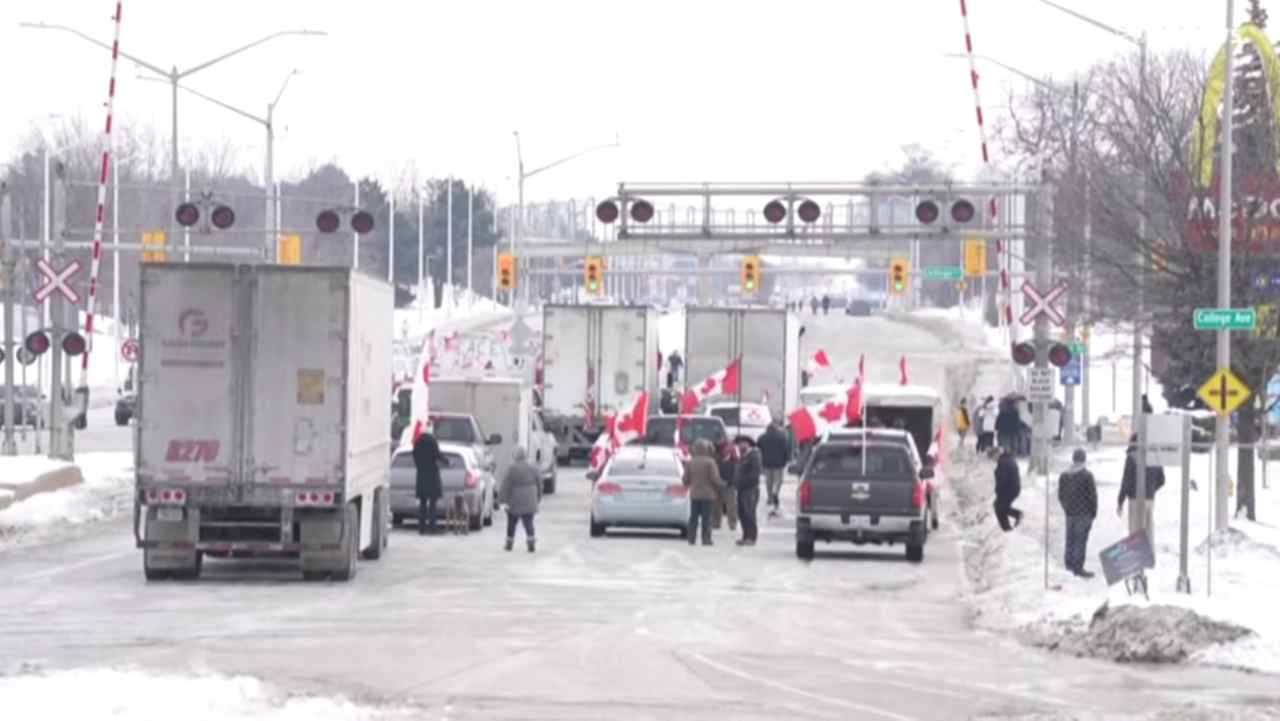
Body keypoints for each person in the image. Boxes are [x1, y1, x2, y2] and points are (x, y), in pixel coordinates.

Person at [1117, 433, 1165, 549]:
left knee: (1135, 529)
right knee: (1149, 529)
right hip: (1149, 499)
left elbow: (1126, 480)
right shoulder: (1154, 456)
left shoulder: (1131, 457)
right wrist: (1151, 490)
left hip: (1134, 499)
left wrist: (1120, 501)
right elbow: (1162, 479)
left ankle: (1137, 556)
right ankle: (1149, 556)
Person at [1058, 448, 1098, 578]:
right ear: (1084, 459)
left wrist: (1066, 508)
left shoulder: (1064, 475)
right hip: (1084, 514)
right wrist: (1093, 512)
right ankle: (1078, 568)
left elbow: (1061, 495)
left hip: (1070, 513)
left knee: (1070, 539)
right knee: (1080, 541)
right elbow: (1092, 496)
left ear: (1073, 459)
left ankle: (1068, 565)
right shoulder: (1087, 476)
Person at [682, 439, 726, 545]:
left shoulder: (691, 462)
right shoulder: (710, 462)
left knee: (693, 518)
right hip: (708, 494)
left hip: (695, 494)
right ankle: (706, 539)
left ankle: (691, 538)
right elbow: (715, 478)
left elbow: (685, 480)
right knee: (707, 518)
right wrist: (723, 484)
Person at [499, 447, 541, 552]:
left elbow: (505, 485)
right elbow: (539, 483)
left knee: (512, 522)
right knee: (528, 522)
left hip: (515, 499)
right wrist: (538, 497)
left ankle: (509, 543)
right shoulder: (533, 467)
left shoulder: (512, 468)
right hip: (530, 498)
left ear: (515, 456)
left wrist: (501, 499)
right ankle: (531, 542)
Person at [412, 426, 447, 535]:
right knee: (432, 504)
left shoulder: (417, 442)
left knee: (422, 504)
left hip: (421, 476)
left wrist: (419, 466)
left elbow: (415, 456)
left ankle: (421, 528)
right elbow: (438, 455)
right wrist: (447, 461)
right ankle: (432, 528)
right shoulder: (432, 441)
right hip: (432, 476)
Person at [733, 435, 763, 545]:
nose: (739, 446)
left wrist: (743, 483)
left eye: (741, 443)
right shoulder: (743, 456)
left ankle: (751, 537)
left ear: (747, 444)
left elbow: (755, 474)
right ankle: (745, 536)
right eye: (738, 444)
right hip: (741, 489)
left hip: (750, 490)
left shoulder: (754, 456)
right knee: (742, 513)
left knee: (749, 513)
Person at [757, 419, 790, 518]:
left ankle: (770, 497)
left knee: (768, 481)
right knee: (778, 481)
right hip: (778, 463)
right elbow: (786, 450)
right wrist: (785, 460)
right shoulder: (782, 437)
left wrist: (761, 461)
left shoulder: (762, 437)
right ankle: (775, 492)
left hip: (766, 463)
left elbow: (758, 448)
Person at [993, 447, 1023, 532]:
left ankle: (1007, 528)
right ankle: (1009, 525)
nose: (993, 459)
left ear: (997, 454)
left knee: (999, 507)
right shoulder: (1007, 459)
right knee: (1000, 506)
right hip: (1012, 488)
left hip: (1009, 489)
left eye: (993, 456)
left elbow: (1003, 478)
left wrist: (998, 490)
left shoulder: (1003, 462)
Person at [712, 440, 739, 532]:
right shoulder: (732, 460)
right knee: (728, 505)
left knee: (722, 505)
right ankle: (730, 523)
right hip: (724, 484)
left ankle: (719, 523)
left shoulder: (716, 459)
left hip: (725, 484)